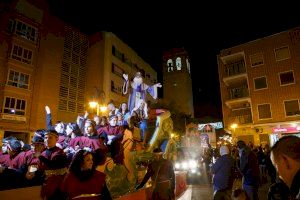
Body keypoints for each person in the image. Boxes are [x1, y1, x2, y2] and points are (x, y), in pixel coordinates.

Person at [39, 130, 68, 200]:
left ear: (57, 139)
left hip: (58, 185)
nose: (47, 140)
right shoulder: (43, 153)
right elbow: (40, 168)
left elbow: (53, 165)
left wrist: (40, 157)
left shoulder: (60, 153)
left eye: (50, 138)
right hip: (46, 184)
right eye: (46, 137)